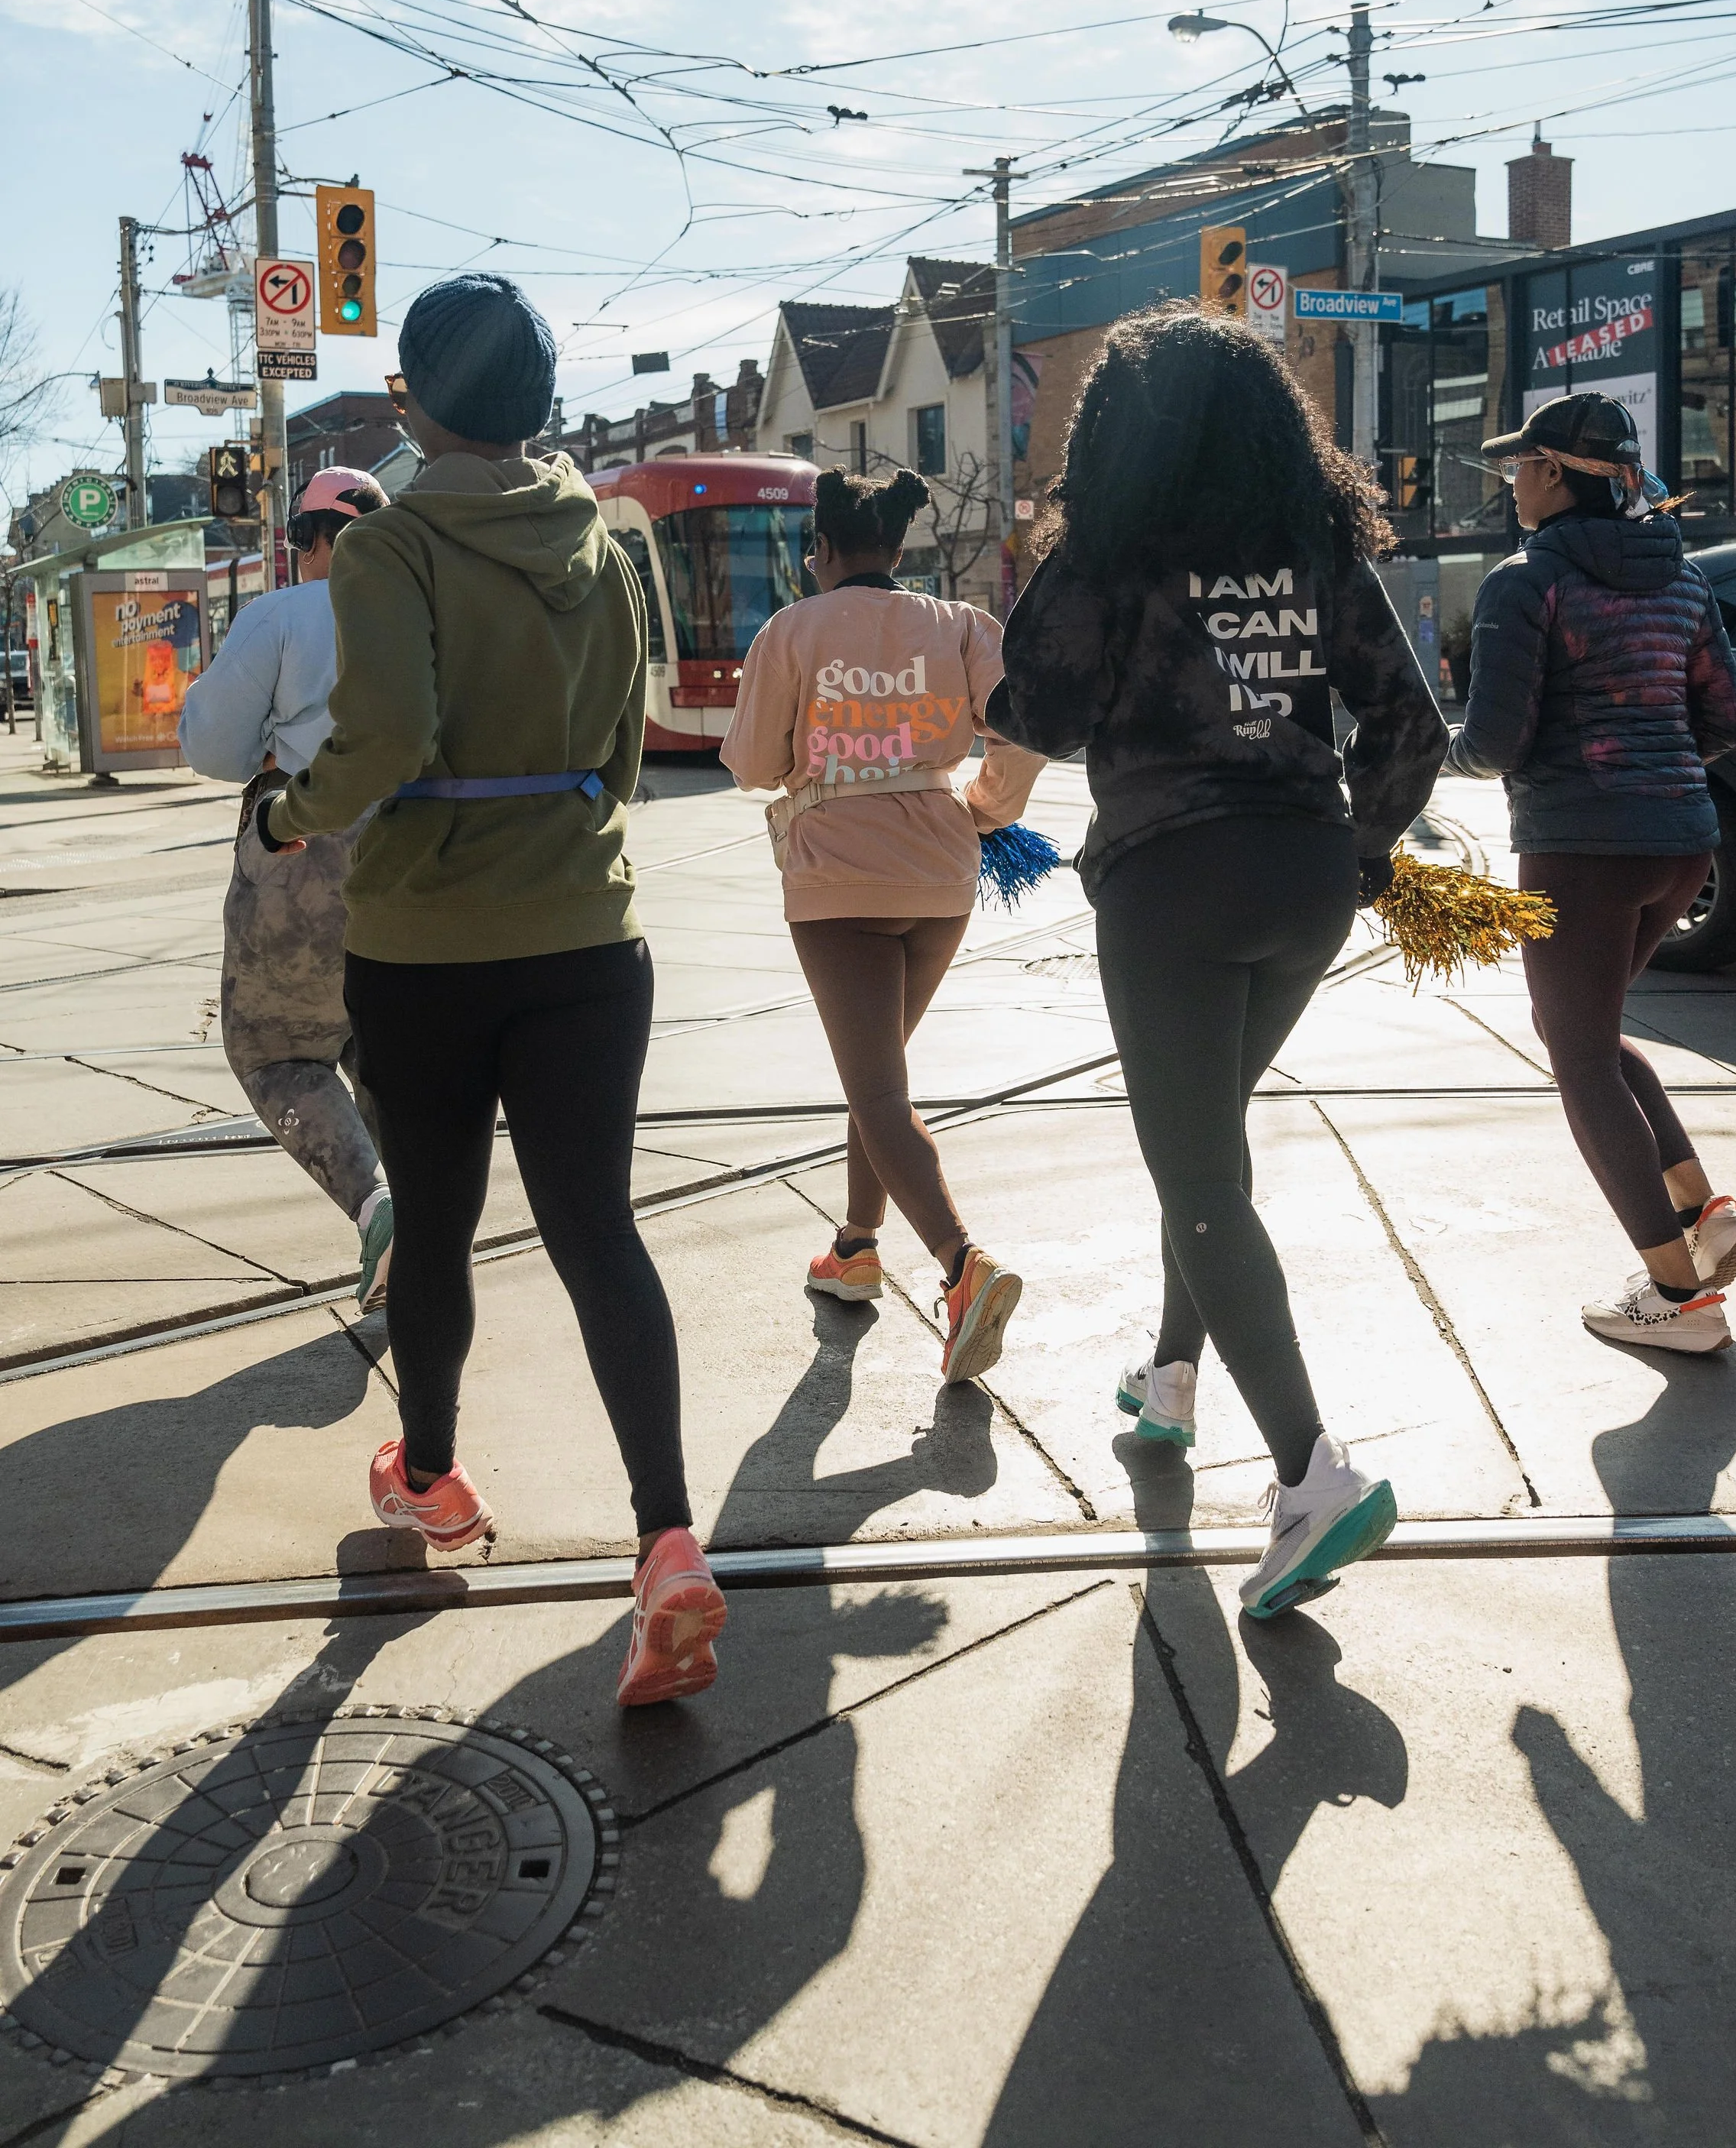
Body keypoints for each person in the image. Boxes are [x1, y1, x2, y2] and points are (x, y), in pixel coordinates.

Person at [254, 274, 724, 1708]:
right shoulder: (599, 534)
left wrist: (291, 813)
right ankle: (667, 1540)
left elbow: (383, 739)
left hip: (428, 943)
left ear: (416, 399)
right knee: (599, 1231)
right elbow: (630, 733)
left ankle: (439, 1482)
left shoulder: (395, 548)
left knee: (441, 1227)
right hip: (591, 931)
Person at [989, 310, 1448, 1621]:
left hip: (1170, 883)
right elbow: (1410, 726)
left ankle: (1312, 1473)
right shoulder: (1315, 550)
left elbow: (1046, 716)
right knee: (1213, 1156)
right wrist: (1357, 852)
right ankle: (1172, 1379)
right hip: (1304, 882)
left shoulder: (1111, 555)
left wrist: (998, 672)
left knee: (1197, 1173)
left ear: (1119, 434)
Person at [721, 465, 1047, 1384]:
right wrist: (982, 809)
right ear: (899, 549)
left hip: (838, 879)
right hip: (942, 874)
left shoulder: (793, 629)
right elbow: (1022, 730)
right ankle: (857, 1247)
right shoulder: (963, 626)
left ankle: (961, 1266)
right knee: (881, 1081)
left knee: (876, 1093)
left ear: (818, 550)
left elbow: (751, 762)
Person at [1448, 390, 1736, 1353]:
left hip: (1580, 852)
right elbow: (1724, 725)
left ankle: (1677, 1299)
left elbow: (1494, 744)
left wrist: (1437, 751)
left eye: (1518, 468)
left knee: (1578, 1060)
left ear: (1554, 475)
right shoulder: (1686, 581)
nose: (1511, 486)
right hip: (1683, 844)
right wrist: (1655, 779)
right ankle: (1704, 1219)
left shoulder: (1524, 583)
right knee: (1587, 1031)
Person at [180, 467, 397, 1311]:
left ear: (314, 540)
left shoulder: (281, 614)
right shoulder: (429, 612)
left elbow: (213, 749)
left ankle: (380, 1210)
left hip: (301, 845)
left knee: (277, 1050)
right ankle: (422, 1226)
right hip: (421, 851)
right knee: (387, 1048)